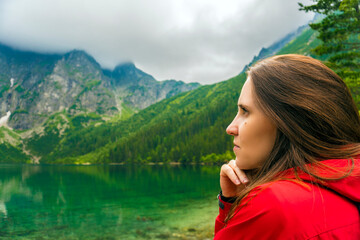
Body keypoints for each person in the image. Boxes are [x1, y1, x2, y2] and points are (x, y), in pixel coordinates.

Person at [214, 54, 360, 239]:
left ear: (288, 120)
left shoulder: (271, 205)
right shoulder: (349, 184)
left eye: (245, 111)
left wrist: (231, 208)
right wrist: (233, 201)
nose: (230, 128)